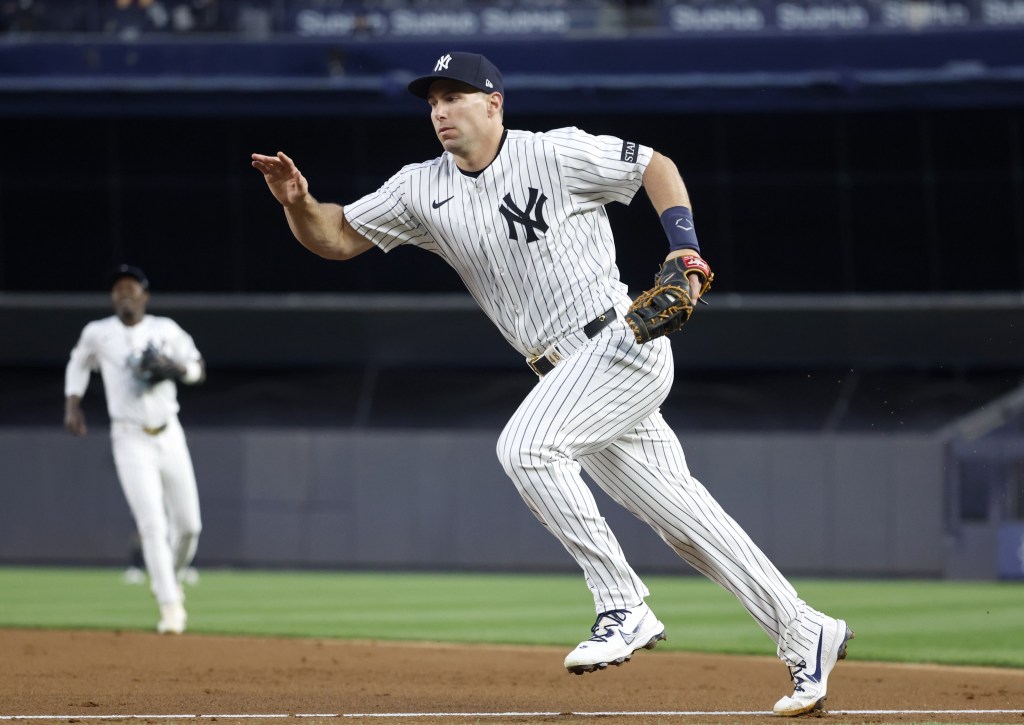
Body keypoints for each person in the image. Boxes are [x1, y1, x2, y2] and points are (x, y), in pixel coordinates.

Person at [251, 51, 854, 716]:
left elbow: (656, 166)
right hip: (566, 375)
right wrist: (299, 203)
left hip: (622, 341)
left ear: (493, 103)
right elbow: (335, 236)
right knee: (686, 522)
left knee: (527, 447)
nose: (441, 110)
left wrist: (685, 251)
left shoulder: (556, 152)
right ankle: (804, 629)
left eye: (454, 96)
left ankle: (621, 602)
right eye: (432, 100)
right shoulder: (419, 188)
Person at [64, 264, 205, 635]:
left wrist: (174, 368)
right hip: (129, 438)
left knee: (190, 526)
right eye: (118, 288)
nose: (125, 292)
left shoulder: (165, 329)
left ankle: (168, 581)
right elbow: (77, 363)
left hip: (169, 433)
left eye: (131, 287)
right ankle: (170, 606)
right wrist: (72, 403)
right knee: (153, 525)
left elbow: (196, 369)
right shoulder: (98, 333)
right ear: (113, 297)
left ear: (145, 295)